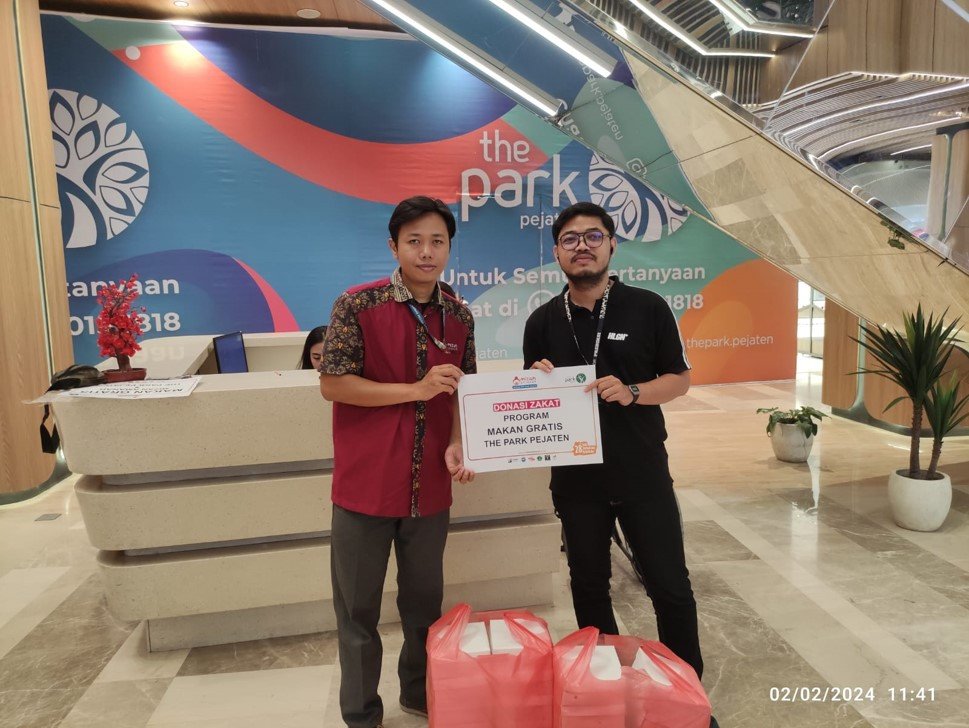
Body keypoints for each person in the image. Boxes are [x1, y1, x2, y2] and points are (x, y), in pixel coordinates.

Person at [522, 201, 704, 679]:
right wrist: (536, 380)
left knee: (669, 586)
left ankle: (685, 688)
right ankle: (606, 681)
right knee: (588, 587)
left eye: (593, 236)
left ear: (611, 245)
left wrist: (634, 392)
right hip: (576, 482)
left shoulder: (648, 307)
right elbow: (532, 404)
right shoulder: (541, 321)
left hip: (642, 473)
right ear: (557, 252)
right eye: (570, 239)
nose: (581, 246)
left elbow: (680, 379)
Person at [319, 196, 476, 728]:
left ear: (449, 248)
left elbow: (464, 393)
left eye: (437, 241)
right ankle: (361, 713)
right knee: (357, 613)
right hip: (364, 488)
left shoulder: (459, 315)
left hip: (429, 488)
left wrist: (459, 441)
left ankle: (419, 693)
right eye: (414, 241)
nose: (426, 252)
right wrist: (414, 389)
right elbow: (334, 384)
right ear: (394, 246)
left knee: (424, 609)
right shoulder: (357, 305)